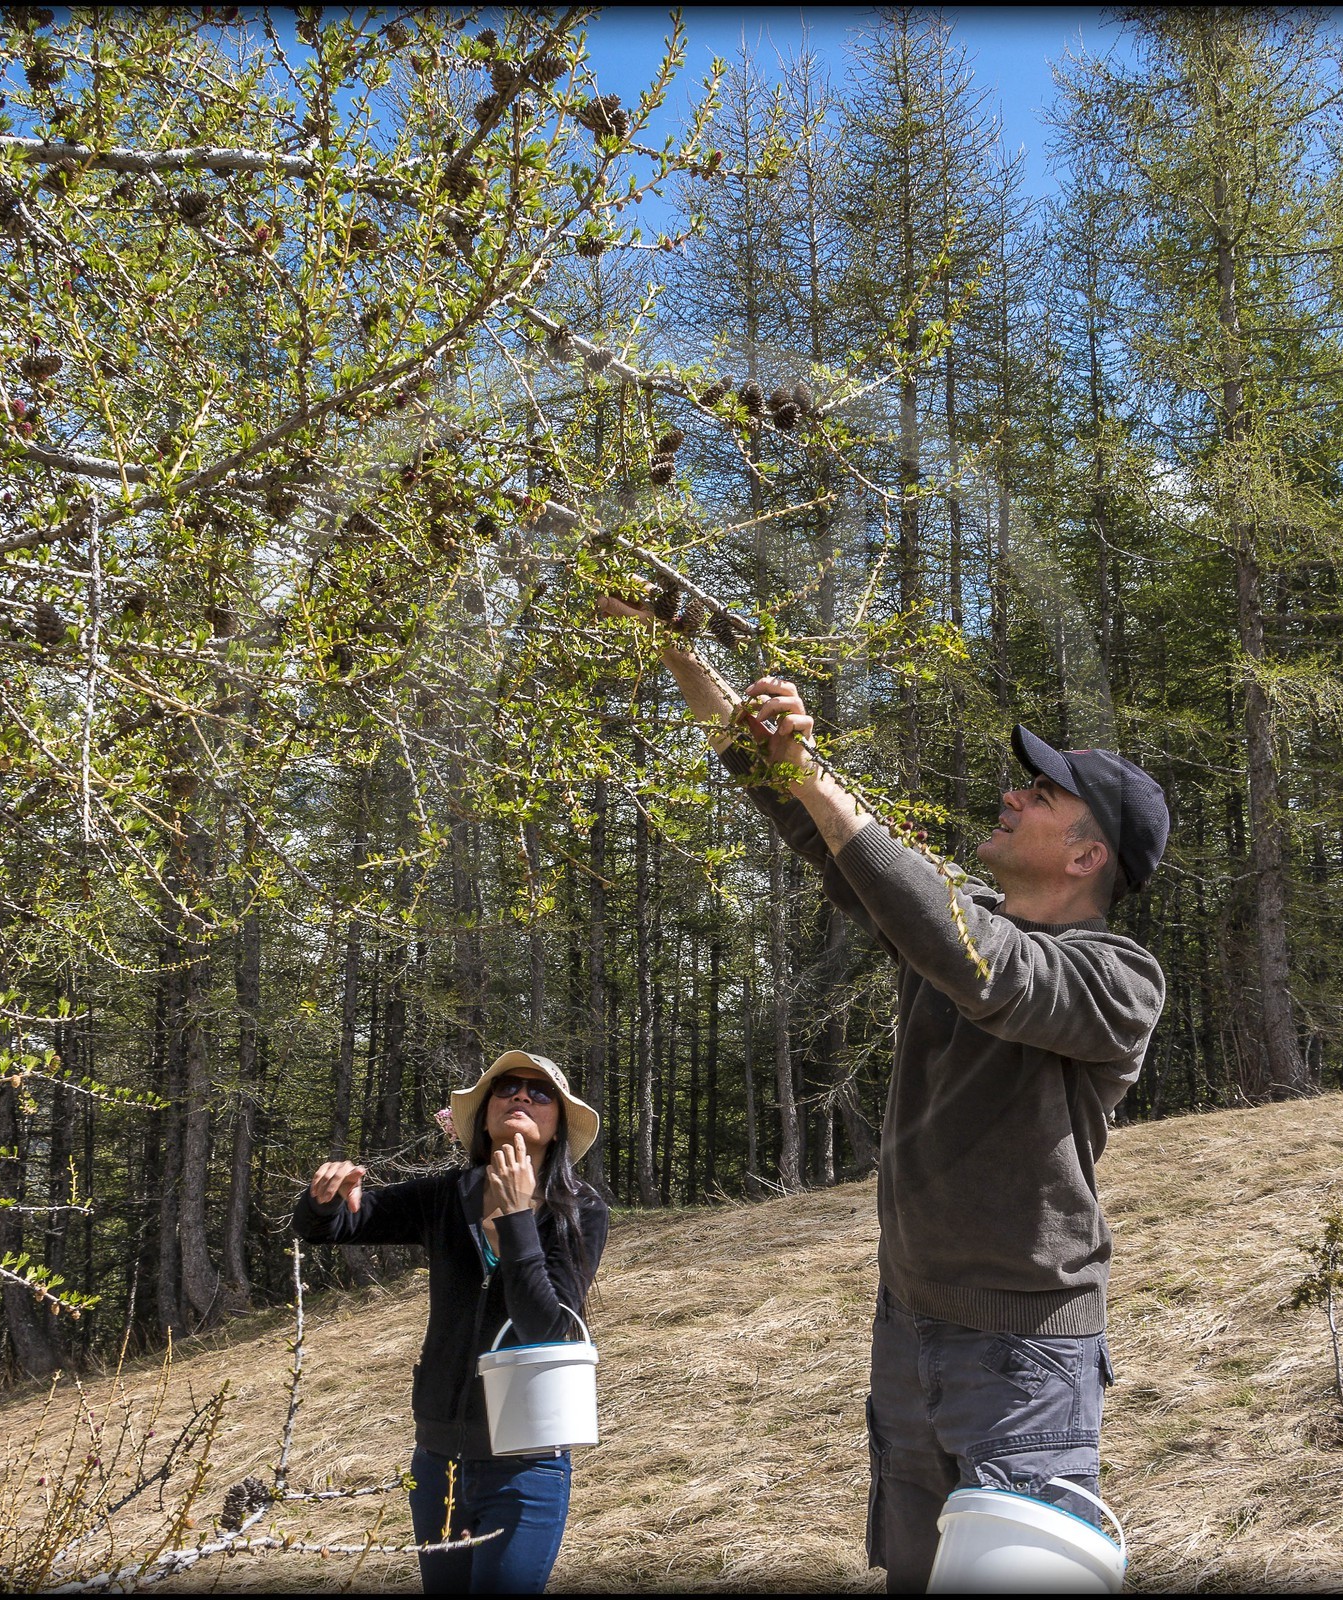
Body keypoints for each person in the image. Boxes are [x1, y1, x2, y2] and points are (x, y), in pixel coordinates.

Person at [599, 594, 1169, 1592]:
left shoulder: (1116, 977)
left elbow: (982, 961)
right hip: (908, 1322)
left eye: (1041, 792)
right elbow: (813, 823)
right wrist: (679, 652)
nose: (1013, 793)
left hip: (1024, 1358)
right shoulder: (957, 920)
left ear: (1088, 856)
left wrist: (818, 775)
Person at [294, 1050, 608, 1595]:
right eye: (507, 1088)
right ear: (485, 1115)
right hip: (438, 1459)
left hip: (526, 1465)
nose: (521, 1097)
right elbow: (331, 1228)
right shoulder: (447, 1196)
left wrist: (515, 1218)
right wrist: (326, 1199)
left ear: (558, 1126)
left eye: (540, 1093)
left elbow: (543, 1327)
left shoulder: (578, 1210)